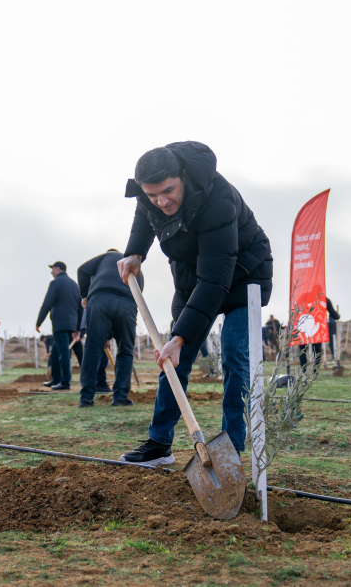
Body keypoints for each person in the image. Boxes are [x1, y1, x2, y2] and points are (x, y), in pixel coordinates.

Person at [117, 141, 273, 466]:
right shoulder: (150, 199)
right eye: (153, 194)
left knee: (234, 356)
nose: (162, 201)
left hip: (244, 273)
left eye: (168, 191)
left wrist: (180, 337)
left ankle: (231, 451)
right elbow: (144, 217)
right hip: (194, 277)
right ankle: (159, 444)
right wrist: (135, 252)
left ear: (184, 176)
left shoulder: (218, 199)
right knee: (173, 359)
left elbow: (216, 279)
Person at [76, 249, 143, 408]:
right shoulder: (133, 265)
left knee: (92, 350)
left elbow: (82, 270)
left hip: (99, 299)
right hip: (128, 302)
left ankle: (86, 398)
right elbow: (139, 288)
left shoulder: (106, 256)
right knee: (125, 351)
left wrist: (85, 296)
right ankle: (120, 397)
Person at [36, 262, 82, 390]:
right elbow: (80, 307)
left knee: (63, 352)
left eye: (52, 269)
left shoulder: (55, 283)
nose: (51, 272)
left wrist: (39, 321)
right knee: (56, 351)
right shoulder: (75, 285)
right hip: (72, 325)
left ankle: (65, 382)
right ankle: (55, 379)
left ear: (57, 269)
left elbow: (47, 303)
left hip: (61, 324)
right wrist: (78, 327)